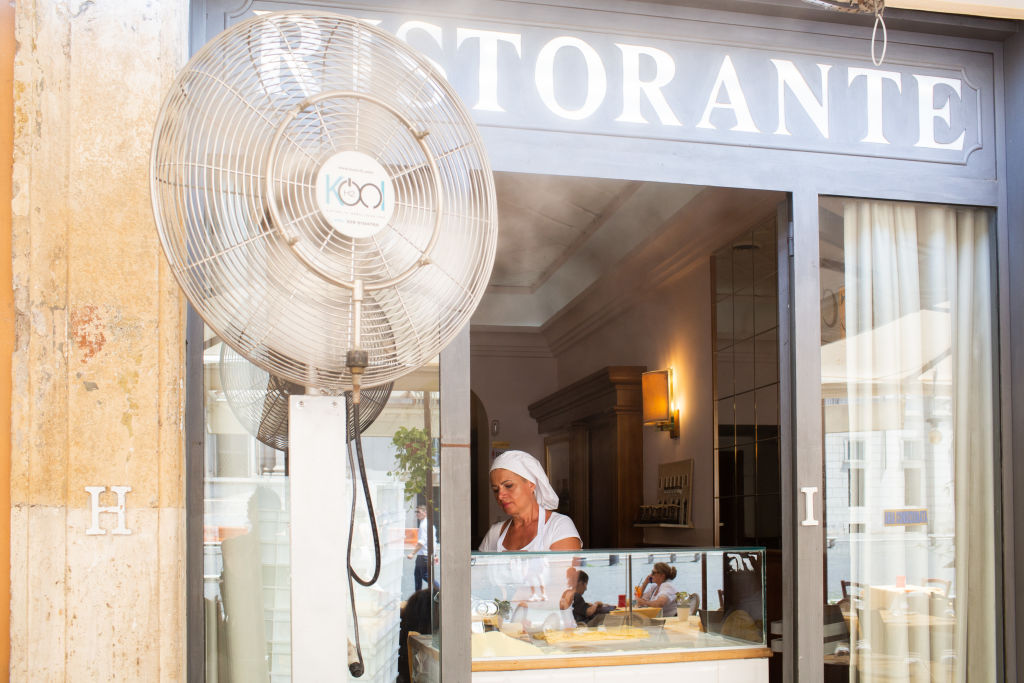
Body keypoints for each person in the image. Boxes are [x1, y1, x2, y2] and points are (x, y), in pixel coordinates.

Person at [478, 450, 582, 552]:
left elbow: (567, 569)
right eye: (495, 490)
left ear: (531, 484)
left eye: (509, 486)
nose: (500, 496)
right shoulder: (494, 533)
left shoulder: (558, 526)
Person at [407, 505, 439, 591]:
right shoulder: (427, 524)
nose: (417, 514)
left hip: (424, 556)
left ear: (425, 513)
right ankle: (418, 597)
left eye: (419, 512)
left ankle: (441, 590)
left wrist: (412, 553)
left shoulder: (424, 525)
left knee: (425, 576)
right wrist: (435, 554)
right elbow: (433, 541)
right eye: (416, 512)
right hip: (423, 555)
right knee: (417, 575)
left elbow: (422, 542)